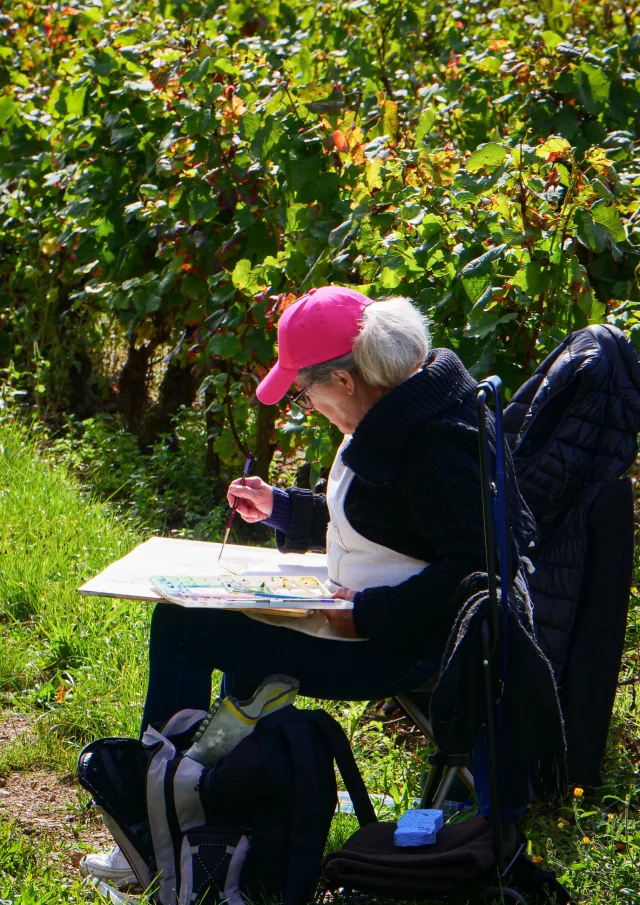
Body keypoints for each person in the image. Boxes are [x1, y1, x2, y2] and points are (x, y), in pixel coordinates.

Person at [81, 286, 536, 887]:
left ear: (345, 381)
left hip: (396, 647)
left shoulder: (434, 444)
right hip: (369, 624)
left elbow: (483, 569)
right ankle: (215, 813)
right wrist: (283, 511)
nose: (307, 403)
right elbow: (385, 523)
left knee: (182, 628)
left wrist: (370, 614)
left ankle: (152, 825)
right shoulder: (404, 408)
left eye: (306, 391)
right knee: (229, 634)